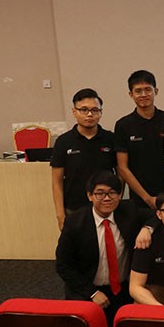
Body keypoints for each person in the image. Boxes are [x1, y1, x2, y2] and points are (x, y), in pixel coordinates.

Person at [55, 171, 144, 327]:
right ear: (90, 196)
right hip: (86, 289)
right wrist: (92, 292)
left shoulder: (129, 211)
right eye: (100, 193)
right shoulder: (75, 222)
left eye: (112, 193)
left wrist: (147, 228)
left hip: (121, 289)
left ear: (120, 194)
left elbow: (157, 216)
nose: (107, 198)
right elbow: (63, 265)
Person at [51, 88, 116, 230]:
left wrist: (114, 199)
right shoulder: (63, 141)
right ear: (74, 112)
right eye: (84, 110)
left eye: (95, 110)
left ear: (101, 112)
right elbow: (56, 181)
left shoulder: (111, 139)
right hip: (74, 209)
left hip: (105, 209)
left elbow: (120, 174)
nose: (90, 114)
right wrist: (60, 214)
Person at [115, 70, 164, 211]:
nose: (143, 95)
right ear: (131, 94)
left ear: (156, 91)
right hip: (139, 200)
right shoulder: (123, 125)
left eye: (148, 90)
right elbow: (122, 168)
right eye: (138, 91)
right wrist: (147, 198)